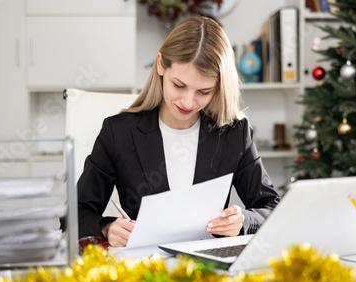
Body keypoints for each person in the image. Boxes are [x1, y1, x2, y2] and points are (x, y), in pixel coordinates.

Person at [77, 16, 280, 247]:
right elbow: (76, 213)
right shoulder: (119, 132)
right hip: (144, 268)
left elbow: (271, 207)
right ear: (161, 64)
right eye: (179, 85)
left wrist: (242, 221)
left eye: (203, 91)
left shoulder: (234, 133)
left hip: (210, 267)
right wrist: (107, 226)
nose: (188, 102)